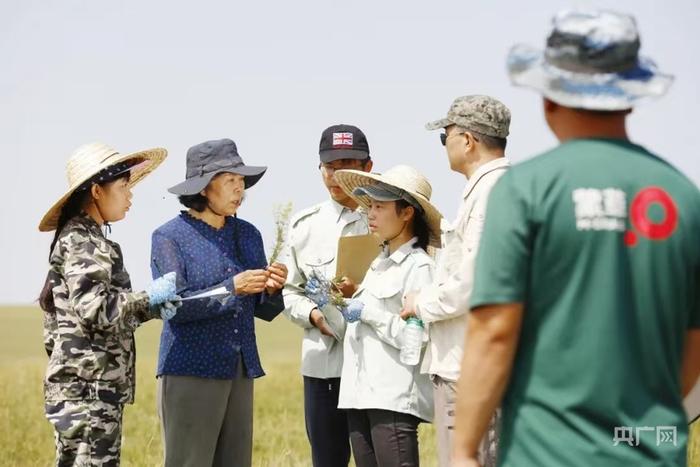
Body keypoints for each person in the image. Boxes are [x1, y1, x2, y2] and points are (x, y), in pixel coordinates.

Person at [452, 9, 700, 467]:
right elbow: (692, 349)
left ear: (548, 97)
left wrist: (465, 449)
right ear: (630, 99)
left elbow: (495, 331)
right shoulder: (683, 197)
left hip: (547, 451)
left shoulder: (526, 190)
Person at [38, 142, 179, 466]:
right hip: (88, 392)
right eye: (124, 185)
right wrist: (147, 297)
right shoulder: (82, 239)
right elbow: (95, 309)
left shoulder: (90, 238)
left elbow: (93, 315)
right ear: (97, 191)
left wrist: (149, 309)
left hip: (90, 389)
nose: (130, 195)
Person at [150, 138, 287, 467]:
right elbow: (171, 307)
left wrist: (272, 288)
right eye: (230, 181)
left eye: (242, 182)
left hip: (240, 370)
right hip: (190, 371)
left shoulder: (248, 234)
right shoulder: (169, 237)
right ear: (202, 188)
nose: (240, 189)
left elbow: (263, 311)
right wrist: (231, 288)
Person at [400, 95, 511, 467]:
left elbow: (473, 282)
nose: (444, 144)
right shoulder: (494, 189)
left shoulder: (491, 193)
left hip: (470, 366)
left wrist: (420, 303)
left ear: (468, 140)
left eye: (445, 135)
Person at [330, 165, 441, 467]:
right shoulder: (378, 264)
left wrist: (369, 313)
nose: (371, 214)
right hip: (358, 394)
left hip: (391, 399)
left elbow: (416, 340)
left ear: (407, 213)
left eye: (380, 207)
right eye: (370, 206)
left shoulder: (419, 267)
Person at [282, 124, 373, 467]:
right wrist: (313, 315)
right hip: (323, 367)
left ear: (367, 167)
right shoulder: (303, 226)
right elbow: (290, 292)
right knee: (327, 460)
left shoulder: (388, 217)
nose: (337, 176)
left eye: (347, 165)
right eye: (330, 167)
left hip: (374, 365)